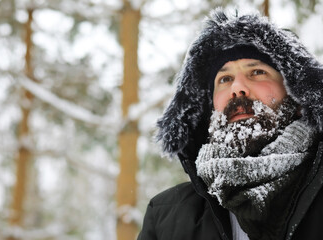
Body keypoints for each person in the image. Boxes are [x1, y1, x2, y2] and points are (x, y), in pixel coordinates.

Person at [138, 8, 323, 240]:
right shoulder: (165, 216)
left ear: (297, 96)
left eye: (257, 72)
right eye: (225, 79)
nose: (237, 88)